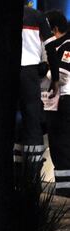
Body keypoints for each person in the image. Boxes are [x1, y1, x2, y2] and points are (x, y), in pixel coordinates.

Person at [18, 0, 54, 170]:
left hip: (5, 74)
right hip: (30, 73)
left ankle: (12, 168)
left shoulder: (0, 13)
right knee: (32, 121)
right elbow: (51, 46)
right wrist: (52, 75)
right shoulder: (37, 15)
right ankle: (33, 174)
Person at [44, 11, 70, 195]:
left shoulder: (67, 46)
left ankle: (64, 191)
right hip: (60, 101)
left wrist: (43, 70)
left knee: (61, 146)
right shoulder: (59, 46)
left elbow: (61, 76)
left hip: (65, 101)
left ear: (54, 29)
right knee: (59, 145)